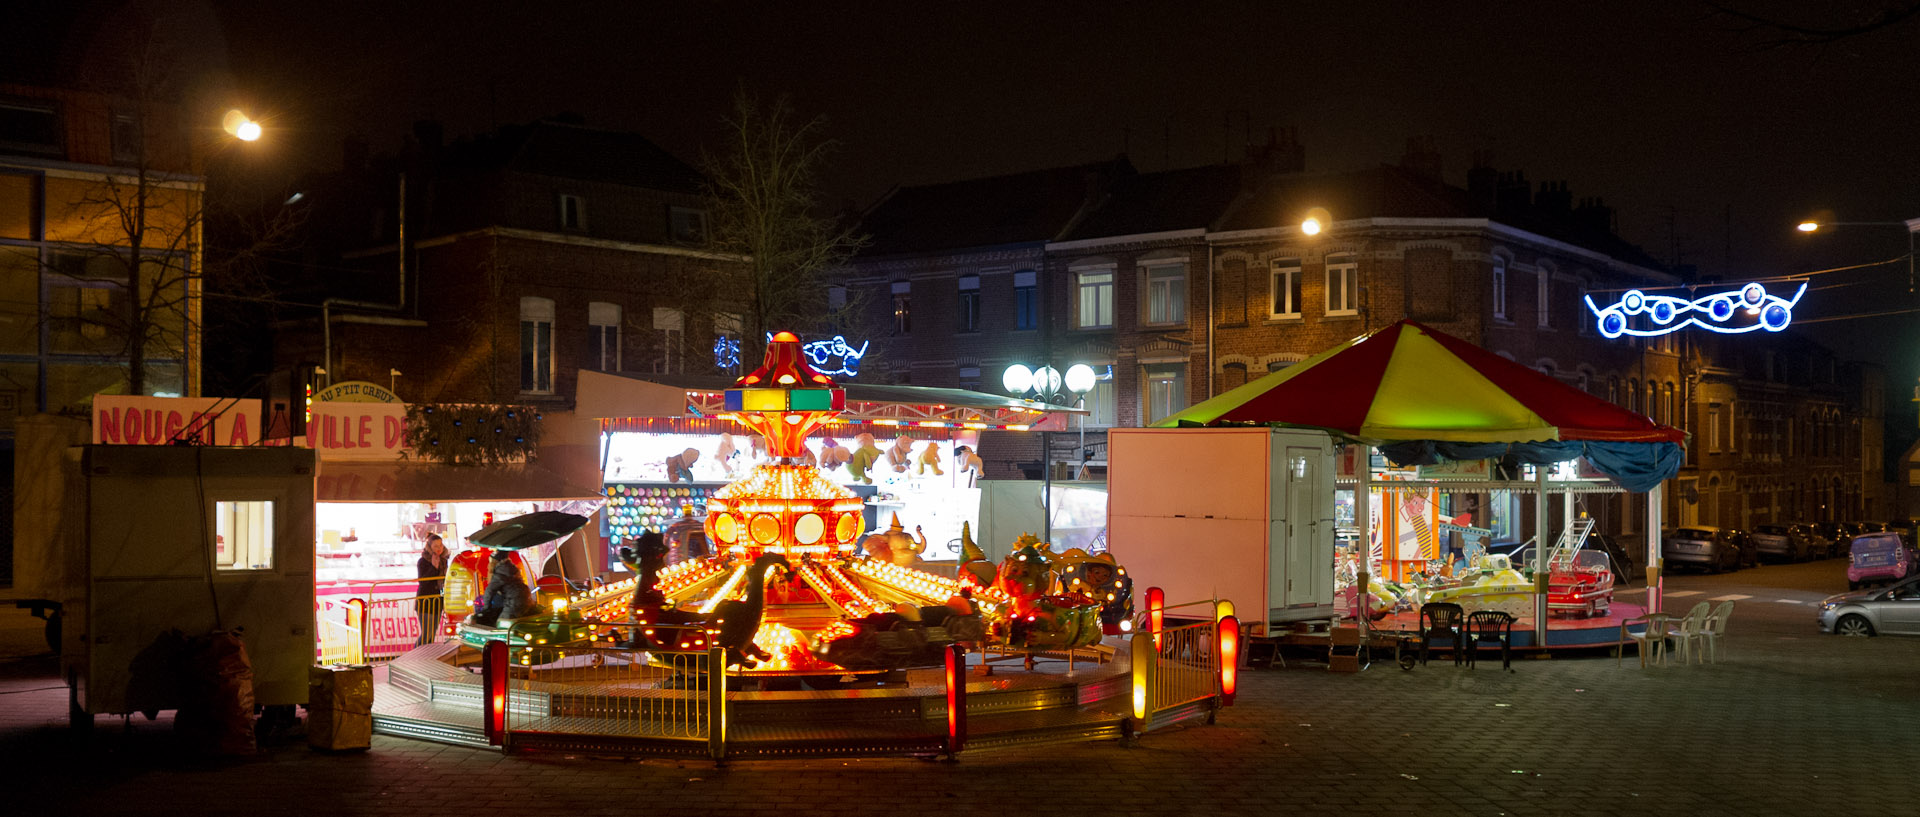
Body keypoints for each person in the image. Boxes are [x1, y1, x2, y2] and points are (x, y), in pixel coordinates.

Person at [415, 534, 449, 645]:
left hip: (437, 601)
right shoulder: (423, 561)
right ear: (430, 547)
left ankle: (426, 658)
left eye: (440, 545)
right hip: (426, 601)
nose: (439, 549)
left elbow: (444, 581)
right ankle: (416, 656)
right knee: (426, 634)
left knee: (432, 634)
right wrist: (433, 568)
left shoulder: (443, 561)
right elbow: (423, 582)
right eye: (435, 546)